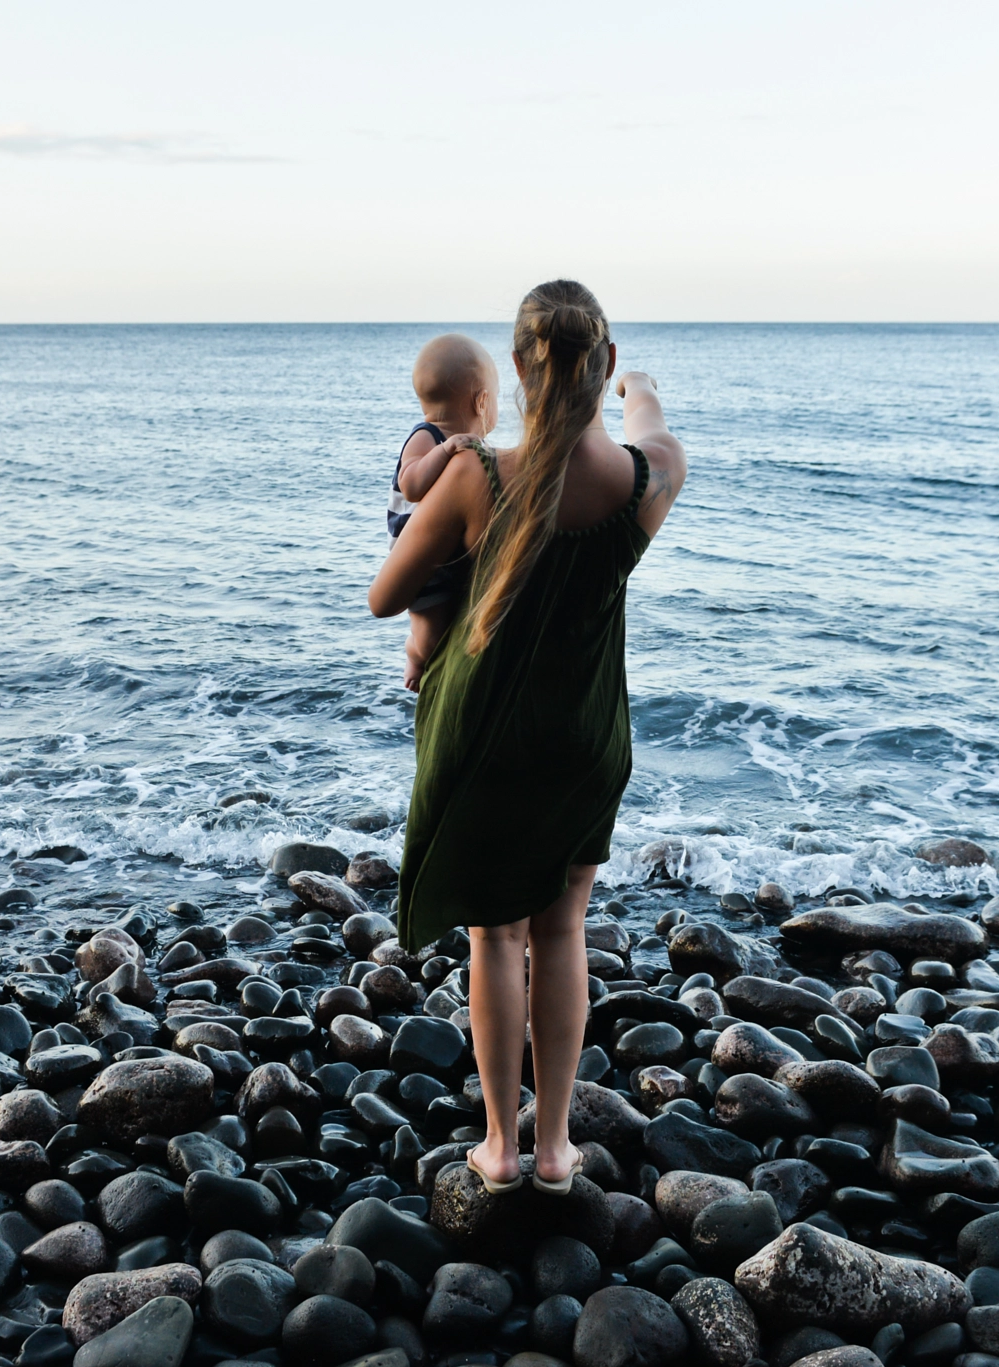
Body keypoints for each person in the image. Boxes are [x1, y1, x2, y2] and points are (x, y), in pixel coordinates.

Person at [368, 280, 687, 1193]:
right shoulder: (646, 478)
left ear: (515, 369)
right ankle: (555, 1150)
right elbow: (656, 427)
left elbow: (387, 595)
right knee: (565, 927)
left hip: (486, 736)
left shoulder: (477, 474)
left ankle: (498, 1151)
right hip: (585, 737)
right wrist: (640, 394)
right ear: (607, 366)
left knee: (495, 937)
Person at [387, 334, 500, 689]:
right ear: (482, 401)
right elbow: (411, 484)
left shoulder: (465, 447)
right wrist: (445, 450)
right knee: (430, 635)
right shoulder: (427, 436)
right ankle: (415, 657)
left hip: (445, 551)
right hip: (419, 557)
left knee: (450, 620)